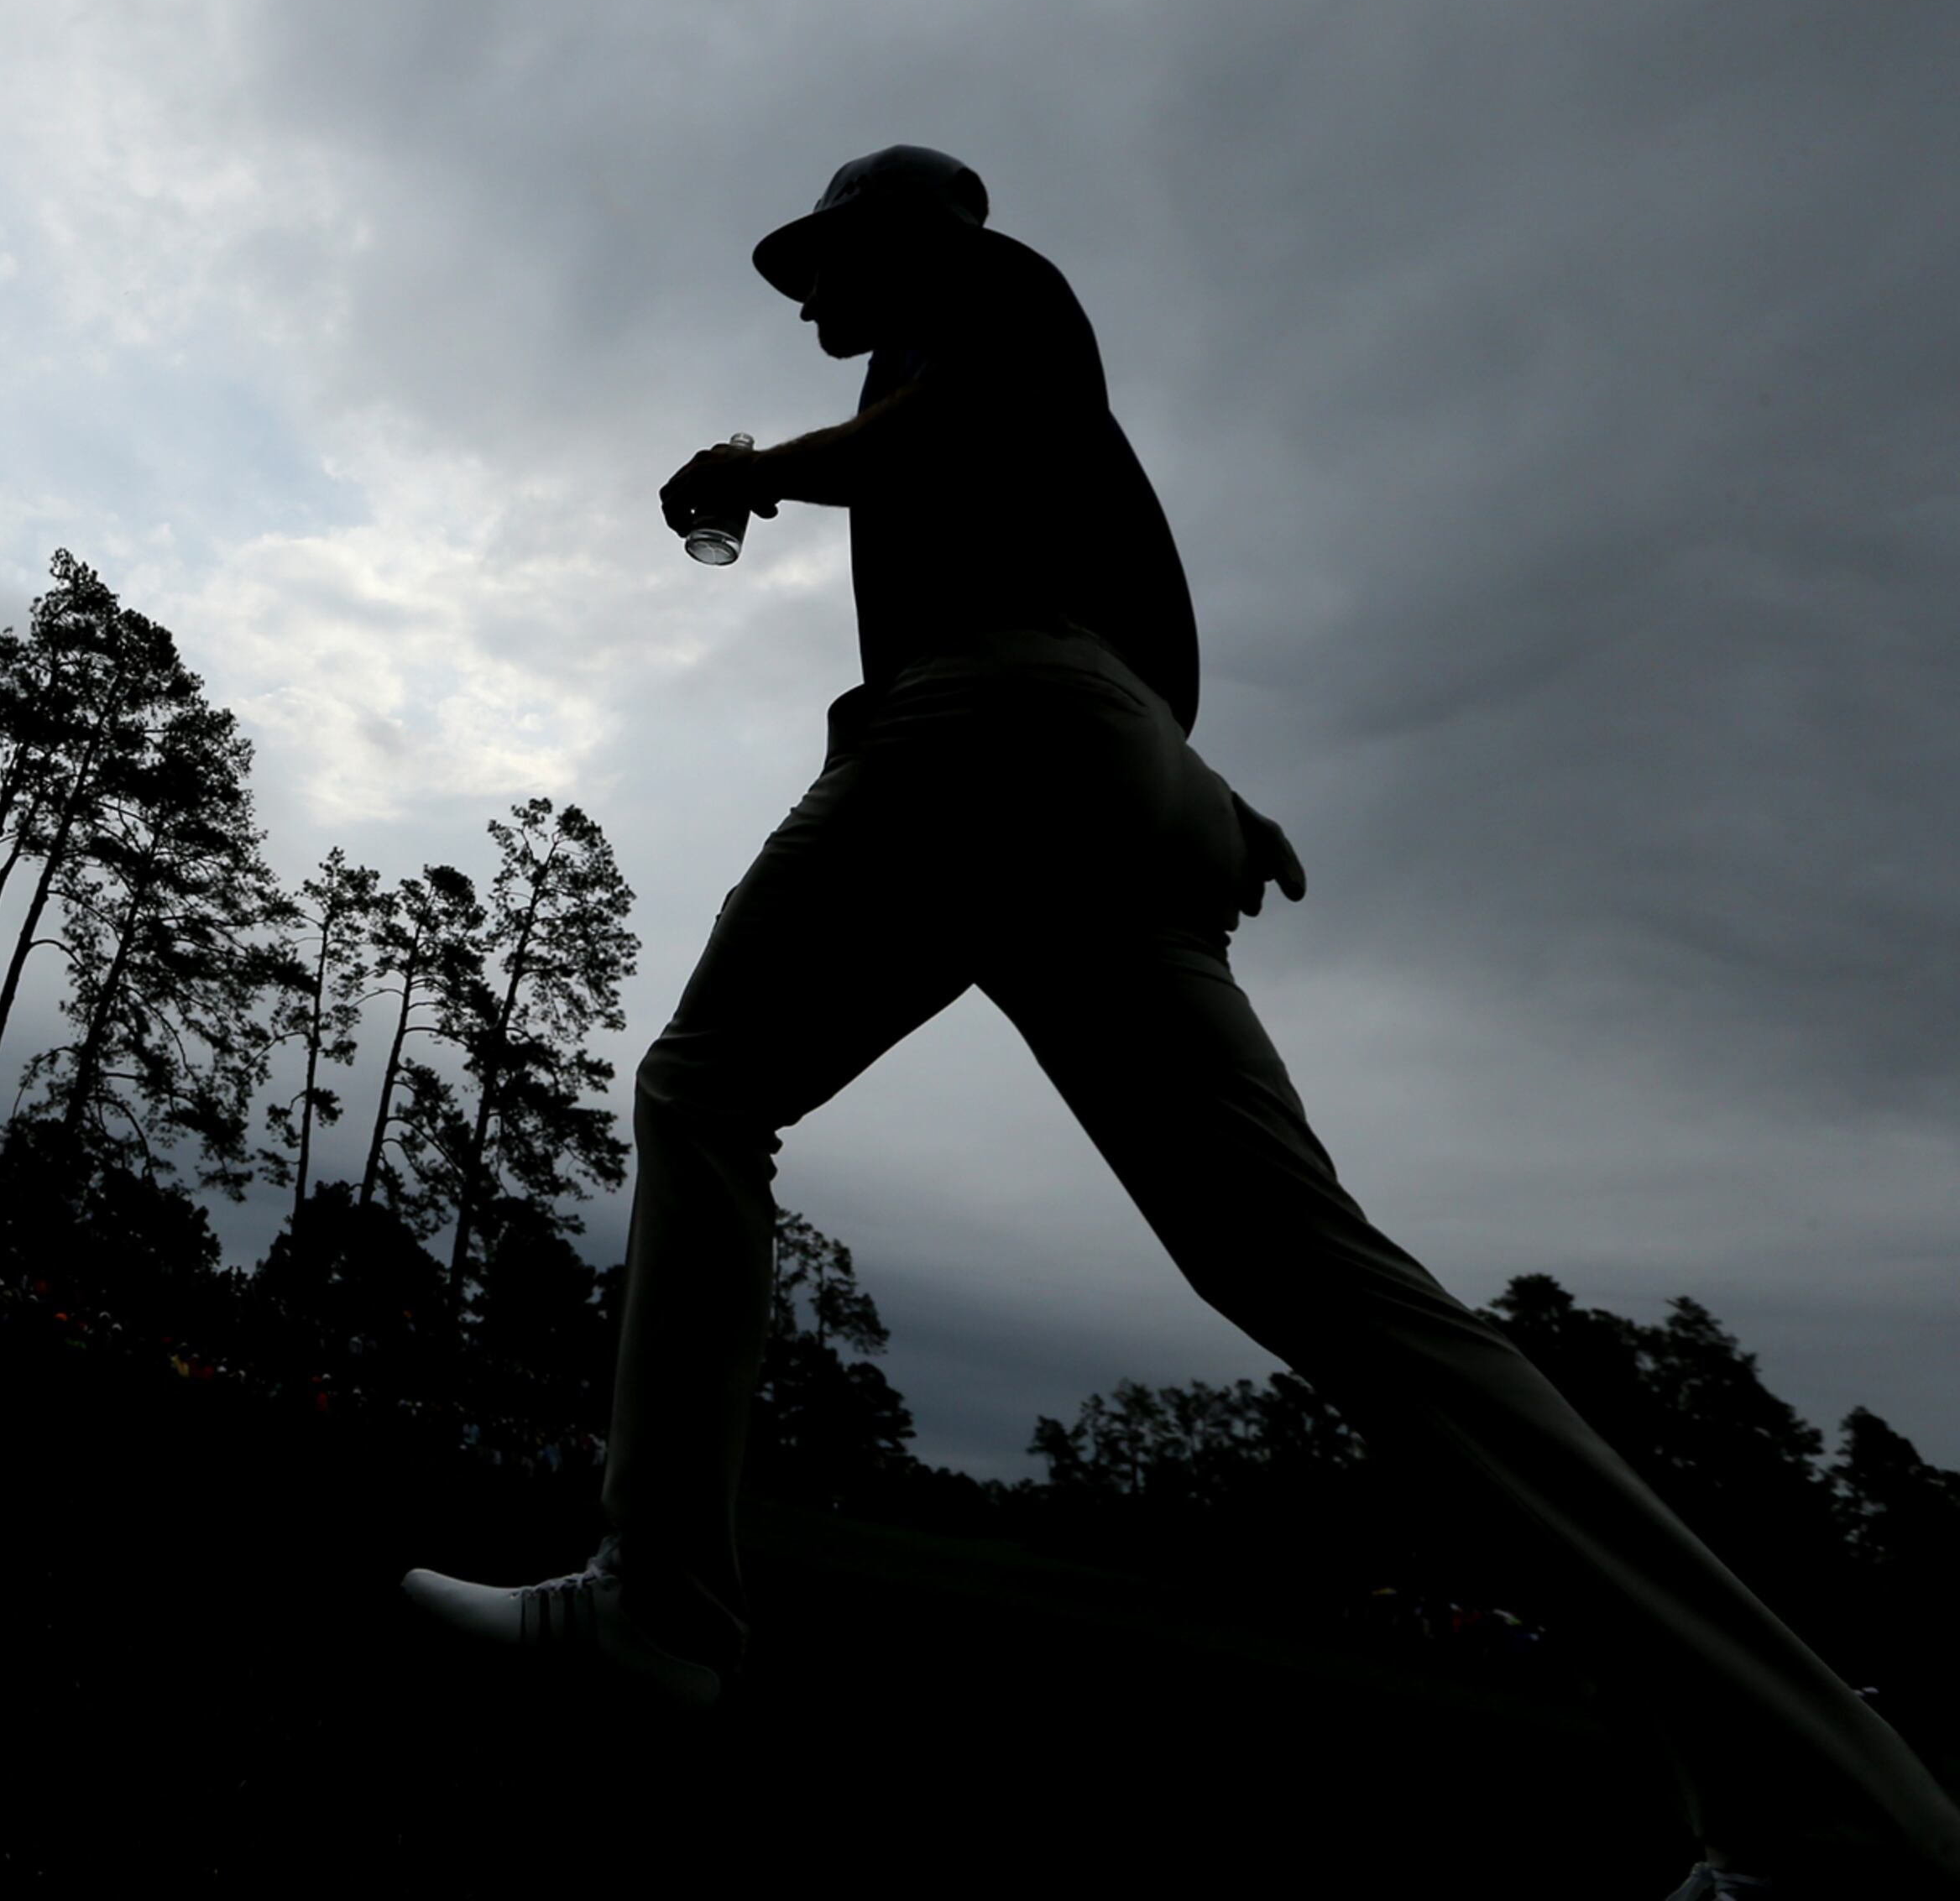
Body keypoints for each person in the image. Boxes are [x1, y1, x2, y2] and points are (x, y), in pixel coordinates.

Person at [396, 146, 1960, 1898]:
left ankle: (655, 1610)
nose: (808, 302)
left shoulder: (979, 304)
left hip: (1001, 739)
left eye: (824, 262)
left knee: (703, 1090)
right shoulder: (998, 390)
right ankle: (1831, 1802)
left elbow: (969, 465)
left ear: (905, 239)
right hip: (1122, 783)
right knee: (1315, 1274)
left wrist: (755, 468)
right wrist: (1214, 807)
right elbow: (1115, 636)